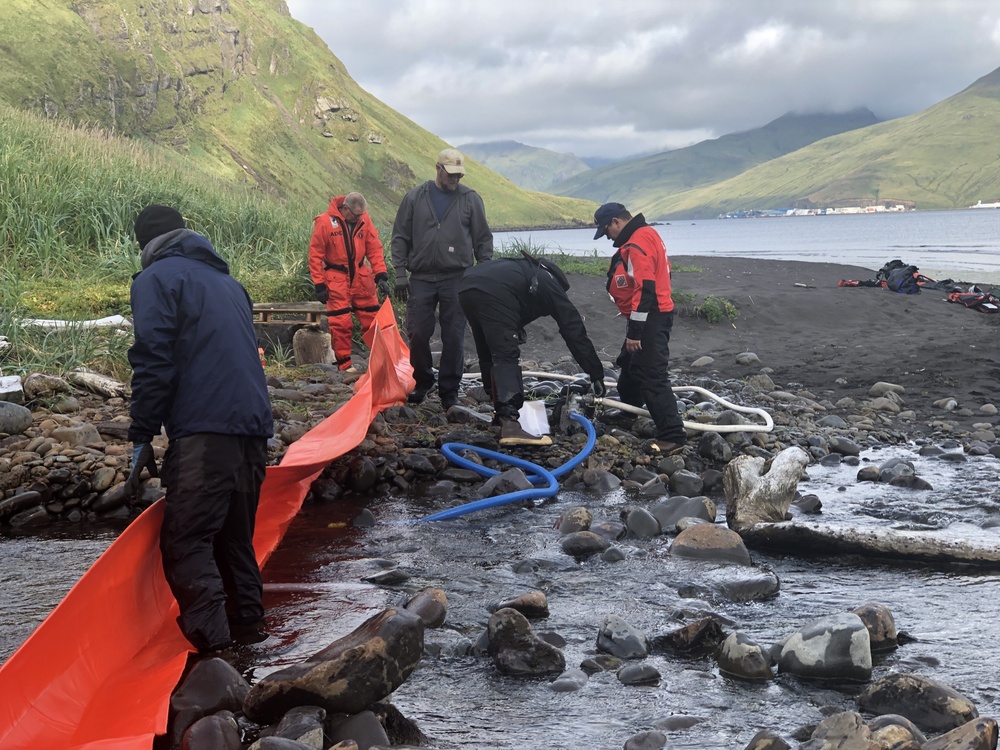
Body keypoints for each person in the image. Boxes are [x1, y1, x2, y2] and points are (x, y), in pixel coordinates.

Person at [126, 204, 274, 655]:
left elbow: (154, 358)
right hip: (253, 430)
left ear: (145, 245)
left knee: (188, 543)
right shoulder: (231, 284)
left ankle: (217, 656)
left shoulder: (155, 279)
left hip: (205, 432)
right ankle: (252, 644)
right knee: (234, 542)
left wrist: (141, 433)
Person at [458, 255, 606, 446]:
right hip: (494, 291)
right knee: (506, 355)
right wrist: (596, 373)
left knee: (487, 347)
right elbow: (573, 329)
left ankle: (499, 414)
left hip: (467, 286)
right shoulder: (550, 283)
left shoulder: (522, 270)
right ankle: (510, 423)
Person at [391, 148, 493, 409]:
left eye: (459, 176)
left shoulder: (471, 199)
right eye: (450, 175)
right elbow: (400, 236)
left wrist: (484, 274)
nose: (455, 180)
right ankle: (423, 380)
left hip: (457, 277)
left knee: (454, 335)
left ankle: (449, 390)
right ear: (438, 169)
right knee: (418, 333)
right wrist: (400, 274)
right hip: (421, 277)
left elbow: (482, 239)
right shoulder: (414, 197)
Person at [594, 202, 687, 455]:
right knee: (631, 365)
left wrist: (635, 332)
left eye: (607, 230)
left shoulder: (636, 242)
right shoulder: (646, 234)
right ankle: (628, 411)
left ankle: (673, 435)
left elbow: (645, 287)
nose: (608, 237)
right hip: (650, 313)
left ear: (616, 222)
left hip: (650, 316)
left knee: (652, 375)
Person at [309, 191, 391, 372]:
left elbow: (374, 248)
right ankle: (345, 366)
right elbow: (315, 255)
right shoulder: (324, 222)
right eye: (356, 215)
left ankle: (383, 362)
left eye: (362, 214)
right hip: (336, 279)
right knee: (341, 323)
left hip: (362, 277)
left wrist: (381, 275)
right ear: (345, 209)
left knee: (373, 320)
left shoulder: (364, 219)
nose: (360, 218)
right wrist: (319, 284)